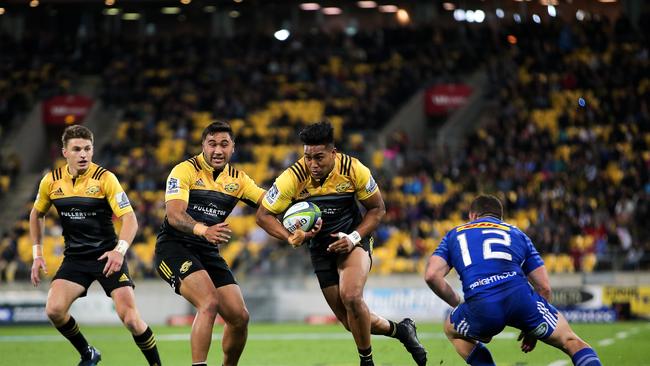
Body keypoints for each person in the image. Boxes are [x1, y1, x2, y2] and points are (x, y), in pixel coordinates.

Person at [256, 121, 427, 366]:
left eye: (319, 157)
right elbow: (263, 215)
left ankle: (366, 361)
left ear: (333, 153)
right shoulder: (292, 177)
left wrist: (354, 238)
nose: (312, 165)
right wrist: (289, 236)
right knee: (351, 322)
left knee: (351, 296)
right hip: (319, 249)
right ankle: (402, 331)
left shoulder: (354, 169)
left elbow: (377, 209)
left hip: (352, 241)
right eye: (307, 157)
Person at [30, 125, 162, 366]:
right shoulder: (51, 182)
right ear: (65, 152)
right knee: (54, 310)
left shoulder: (105, 179)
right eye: (77, 149)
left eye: (87, 149)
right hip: (76, 259)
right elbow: (37, 214)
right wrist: (37, 254)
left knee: (131, 320)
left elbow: (130, 218)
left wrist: (119, 251)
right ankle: (88, 353)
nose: (83, 154)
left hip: (108, 256)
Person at [424, 194, 602, 366]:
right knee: (571, 341)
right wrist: (532, 332)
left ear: (472, 215)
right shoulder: (518, 234)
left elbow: (432, 275)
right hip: (520, 299)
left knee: (451, 329)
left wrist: (457, 302)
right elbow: (544, 287)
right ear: (499, 217)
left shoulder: (454, 235)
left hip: (482, 304)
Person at [155, 121, 265, 366]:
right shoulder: (184, 170)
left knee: (239, 317)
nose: (218, 150)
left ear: (233, 148)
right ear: (203, 145)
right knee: (209, 302)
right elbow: (174, 216)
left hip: (206, 251)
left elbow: (269, 202)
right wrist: (203, 230)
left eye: (224, 144)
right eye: (212, 144)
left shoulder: (238, 180)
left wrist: (299, 209)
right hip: (173, 247)